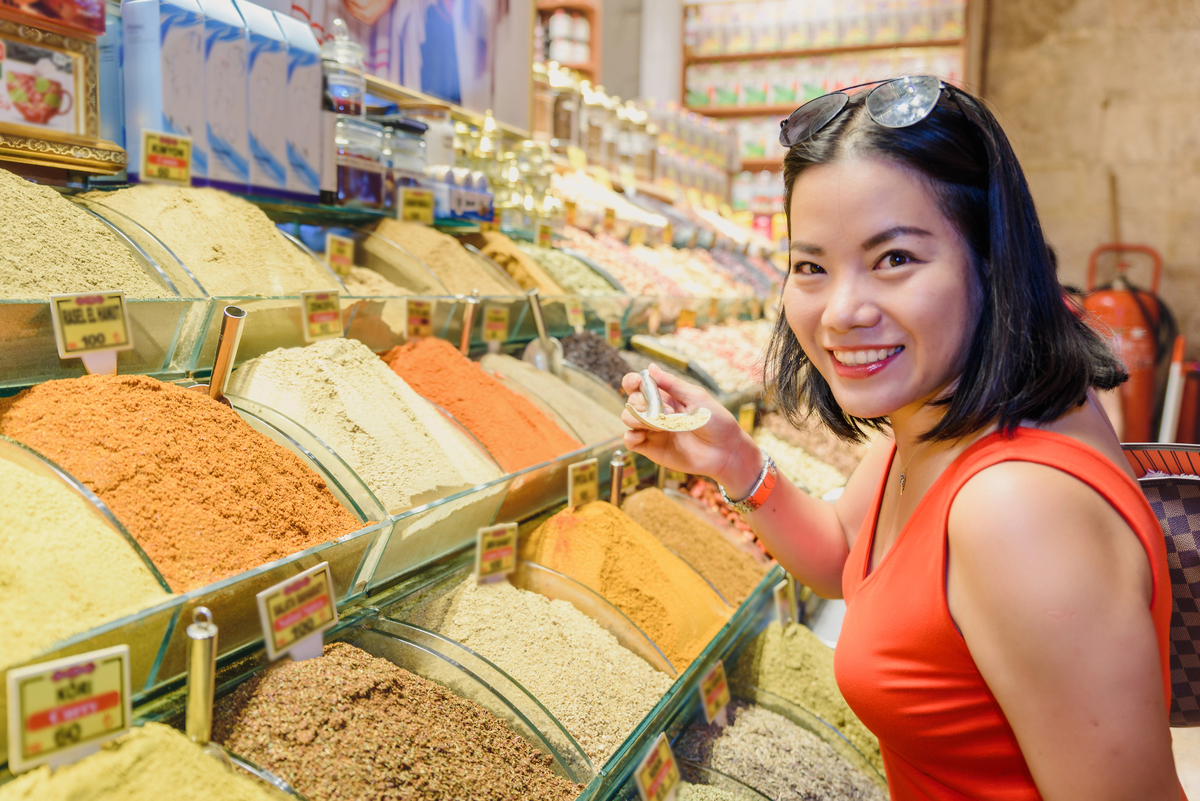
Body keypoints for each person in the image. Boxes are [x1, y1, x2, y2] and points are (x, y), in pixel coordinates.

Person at [622, 76, 1183, 798]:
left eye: (895, 259)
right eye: (811, 266)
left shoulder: (1014, 509)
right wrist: (734, 461)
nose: (842, 312)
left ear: (990, 261)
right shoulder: (934, 418)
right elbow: (845, 559)